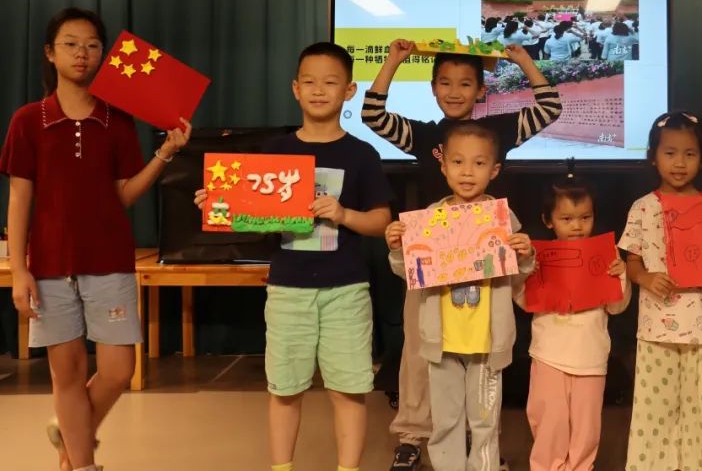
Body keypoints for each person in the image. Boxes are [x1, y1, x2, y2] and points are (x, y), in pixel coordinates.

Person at [1, 8, 192, 471]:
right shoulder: (28, 120)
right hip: (49, 265)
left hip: (109, 260)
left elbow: (123, 194)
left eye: (91, 45)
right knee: (66, 376)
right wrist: (20, 269)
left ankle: (70, 435)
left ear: (104, 55)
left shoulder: (117, 120)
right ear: (50, 53)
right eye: (70, 44)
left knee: (118, 371)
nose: (81, 53)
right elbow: (20, 198)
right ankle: (79, 463)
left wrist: (165, 153)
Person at [362, 40, 561, 471]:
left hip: (485, 272)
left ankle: (481, 448)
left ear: (481, 89)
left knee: (481, 358)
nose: (455, 91)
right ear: (433, 88)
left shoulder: (497, 132)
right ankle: (413, 434)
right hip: (431, 268)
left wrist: (523, 60)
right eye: (446, 83)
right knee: (422, 353)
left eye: (466, 83)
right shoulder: (425, 136)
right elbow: (373, 115)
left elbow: (549, 109)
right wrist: (394, 60)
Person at [195, 42, 393, 471]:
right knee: (284, 389)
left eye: (330, 82)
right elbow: (253, 220)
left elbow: (382, 221)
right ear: (295, 89)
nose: (319, 90)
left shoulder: (362, 154)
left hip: (347, 289)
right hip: (287, 289)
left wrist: (344, 214)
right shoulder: (273, 152)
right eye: (309, 82)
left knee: (349, 389)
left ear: (349, 90)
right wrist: (219, 205)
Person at [385, 123, 535, 471]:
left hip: (486, 343)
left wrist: (526, 255)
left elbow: (518, 275)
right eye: (457, 162)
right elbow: (408, 273)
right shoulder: (429, 218)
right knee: (446, 420)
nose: (467, 172)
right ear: (443, 166)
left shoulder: (502, 219)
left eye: (479, 163)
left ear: (494, 170)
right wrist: (397, 248)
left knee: (484, 422)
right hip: (443, 342)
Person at [618, 111, 702, 471]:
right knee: (654, 409)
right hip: (656, 327)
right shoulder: (642, 208)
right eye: (670, 153)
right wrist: (645, 278)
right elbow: (632, 263)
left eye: (689, 154)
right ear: (653, 157)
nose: (679, 163)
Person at [514, 174, 630, 471]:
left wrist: (621, 276)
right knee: (549, 422)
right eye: (566, 218)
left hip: (591, 357)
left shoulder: (606, 255)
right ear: (548, 220)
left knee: (586, 426)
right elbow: (524, 301)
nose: (577, 226)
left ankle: (581, 467)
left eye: (585, 217)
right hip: (549, 355)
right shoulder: (538, 257)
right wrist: (526, 271)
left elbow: (617, 307)